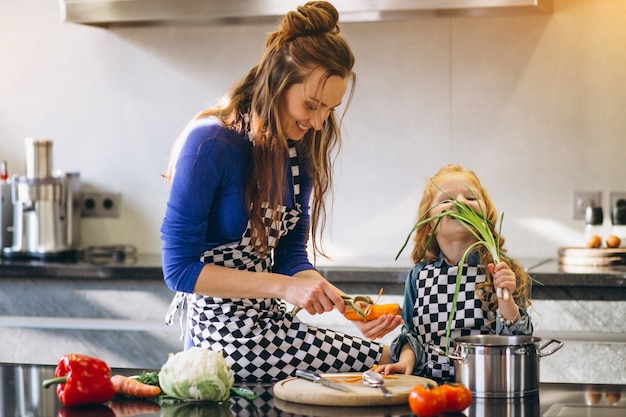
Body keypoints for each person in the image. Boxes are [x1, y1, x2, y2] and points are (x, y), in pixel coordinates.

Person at [160, 1, 402, 381]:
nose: (319, 122)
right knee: (386, 362)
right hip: (223, 341)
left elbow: (290, 256)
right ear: (278, 80)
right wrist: (282, 288)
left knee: (390, 360)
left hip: (269, 328)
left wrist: (351, 310)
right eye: (312, 105)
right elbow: (178, 269)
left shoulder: (297, 152)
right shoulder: (209, 144)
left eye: (329, 110)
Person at [376, 164, 533, 381]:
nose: (460, 202)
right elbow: (412, 335)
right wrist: (405, 361)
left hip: (486, 386)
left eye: (470, 198)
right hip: (428, 387)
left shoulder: (502, 271)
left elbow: (518, 342)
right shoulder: (419, 276)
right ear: (430, 225)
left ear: (485, 218)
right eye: (447, 199)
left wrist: (505, 297)